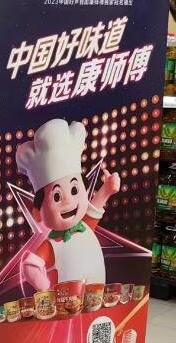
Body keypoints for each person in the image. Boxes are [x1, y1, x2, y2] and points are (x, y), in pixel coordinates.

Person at [16, 119, 121, 292]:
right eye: (56, 196)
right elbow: (31, 265)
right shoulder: (52, 244)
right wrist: (44, 286)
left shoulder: (84, 227)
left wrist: (107, 190)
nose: (68, 202)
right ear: (38, 213)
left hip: (97, 298)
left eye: (74, 190)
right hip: (65, 303)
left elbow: (94, 210)